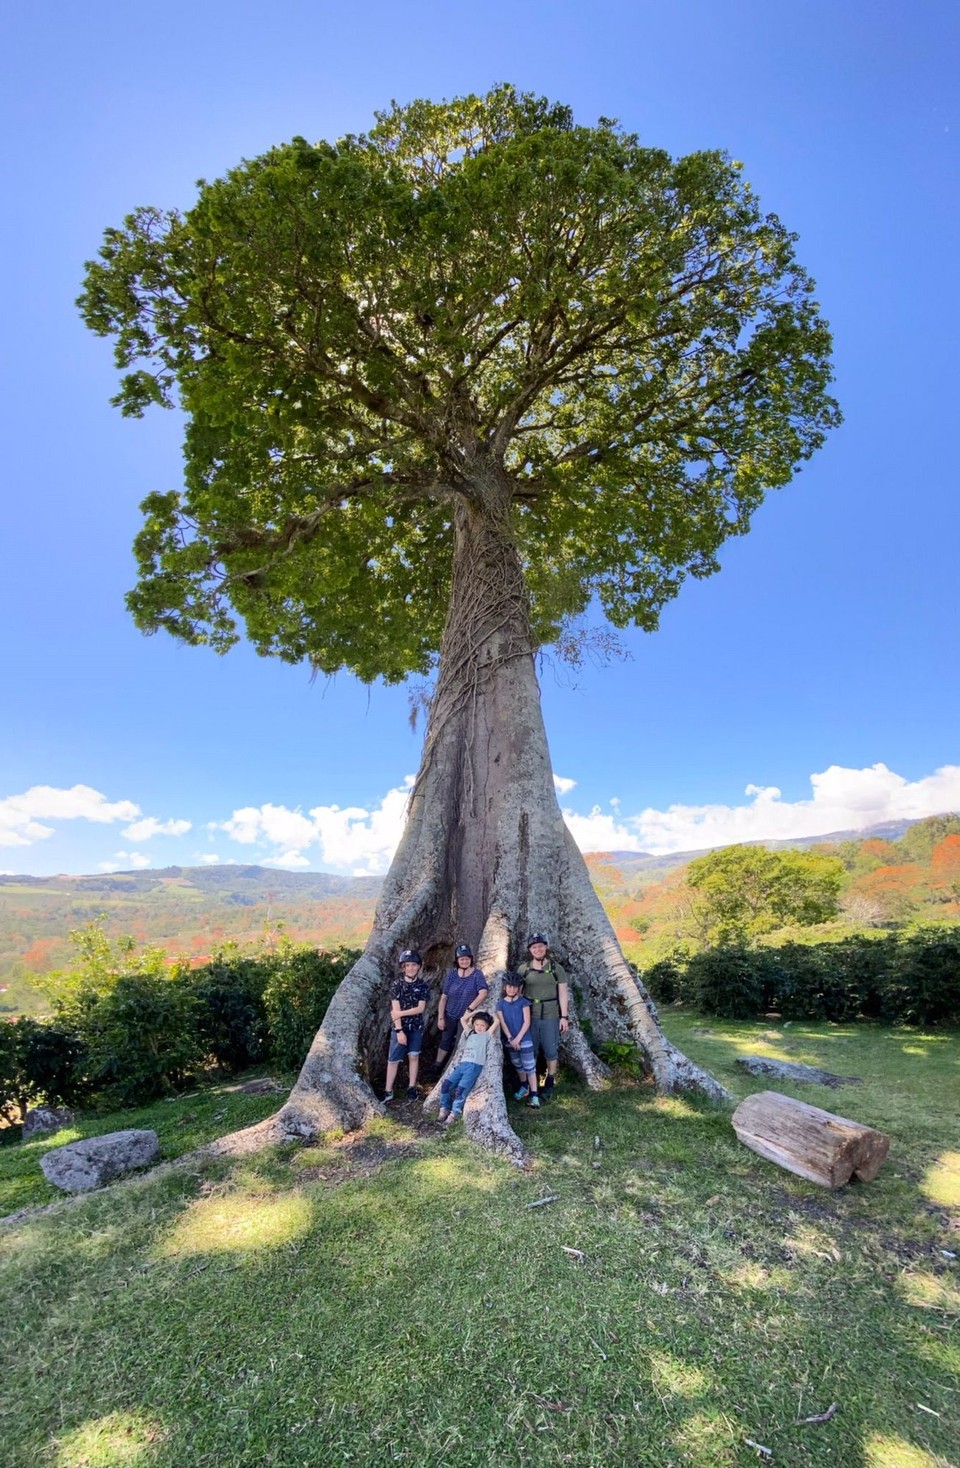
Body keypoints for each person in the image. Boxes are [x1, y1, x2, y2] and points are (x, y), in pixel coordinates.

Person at [516, 932, 570, 1101]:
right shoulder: (523, 969)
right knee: (529, 1051)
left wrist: (564, 1017)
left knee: (550, 1050)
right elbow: (517, 993)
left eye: (540, 946)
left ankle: (549, 1083)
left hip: (550, 1014)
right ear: (530, 950)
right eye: (534, 947)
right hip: (529, 1015)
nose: (537, 949)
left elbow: (562, 993)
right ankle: (531, 1085)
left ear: (546, 947)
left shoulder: (556, 968)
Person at [383, 949, 431, 1103]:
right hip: (399, 1028)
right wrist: (399, 1030)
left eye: (414, 965)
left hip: (416, 1027)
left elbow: (420, 1008)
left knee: (414, 1056)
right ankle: (388, 1090)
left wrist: (400, 1014)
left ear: (419, 967)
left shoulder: (422, 985)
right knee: (393, 1060)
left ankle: (411, 1088)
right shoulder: (397, 985)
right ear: (403, 967)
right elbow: (395, 1008)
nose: (411, 968)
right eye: (407, 965)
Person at [434, 942, 489, 1072]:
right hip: (449, 1014)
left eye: (466, 958)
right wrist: (440, 1018)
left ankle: (453, 1068)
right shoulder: (452, 975)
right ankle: (436, 1066)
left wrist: (470, 1009)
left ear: (471, 959)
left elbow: (483, 992)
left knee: (461, 1042)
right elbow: (444, 997)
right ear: (457, 960)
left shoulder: (477, 974)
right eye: (461, 959)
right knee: (445, 1040)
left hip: (466, 1017)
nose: (464, 961)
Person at [438, 1010, 493, 1125]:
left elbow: (497, 1021)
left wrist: (492, 1014)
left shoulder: (486, 1036)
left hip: (474, 1066)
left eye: (483, 1025)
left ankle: (454, 1114)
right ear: (473, 1024)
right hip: (462, 1064)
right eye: (477, 1024)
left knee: (461, 1090)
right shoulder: (469, 1033)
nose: (479, 1027)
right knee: (446, 1084)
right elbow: (462, 1019)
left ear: (487, 1027)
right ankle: (444, 1108)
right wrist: (477, 1011)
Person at [495, 972, 540, 1108]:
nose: (512, 989)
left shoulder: (524, 1002)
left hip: (524, 1039)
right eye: (509, 987)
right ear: (505, 988)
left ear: (518, 988)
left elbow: (527, 1022)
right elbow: (502, 1022)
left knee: (529, 1067)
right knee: (518, 1065)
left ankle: (534, 1095)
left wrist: (518, 1039)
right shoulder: (500, 1004)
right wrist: (510, 1038)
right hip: (510, 1040)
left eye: (515, 987)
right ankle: (524, 1086)